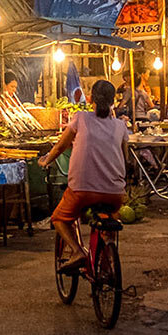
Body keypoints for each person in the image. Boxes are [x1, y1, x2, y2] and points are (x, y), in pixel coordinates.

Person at [38, 80, 129, 273]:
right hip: (115, 193)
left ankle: (77, 251)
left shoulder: (80, 118)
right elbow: (125, 157)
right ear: (114, 101)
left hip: (82, 190)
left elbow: (61, 146)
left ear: (90, 99)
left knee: (59, 219)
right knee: (109, 224)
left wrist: (46, 160)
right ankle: (108, 256)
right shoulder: (120, 126)